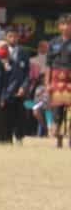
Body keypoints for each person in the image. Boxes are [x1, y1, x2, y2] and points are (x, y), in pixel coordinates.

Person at [45, 14, 71, 148]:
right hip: (56, 80)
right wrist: (47, 84)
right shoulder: (53, 43)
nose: (66, 27)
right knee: (57, 111)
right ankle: (58, 139)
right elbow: (48, 65)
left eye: (69, 24)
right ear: (59, 26)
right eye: (64, 24)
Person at [0, 40, 28, 144]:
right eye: (1, 48)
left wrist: (6, 95)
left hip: (11, 96)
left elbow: (16, 79)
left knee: (14, 118)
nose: (3, 50)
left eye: (5, 48)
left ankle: (16, 138)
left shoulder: (14, 63)